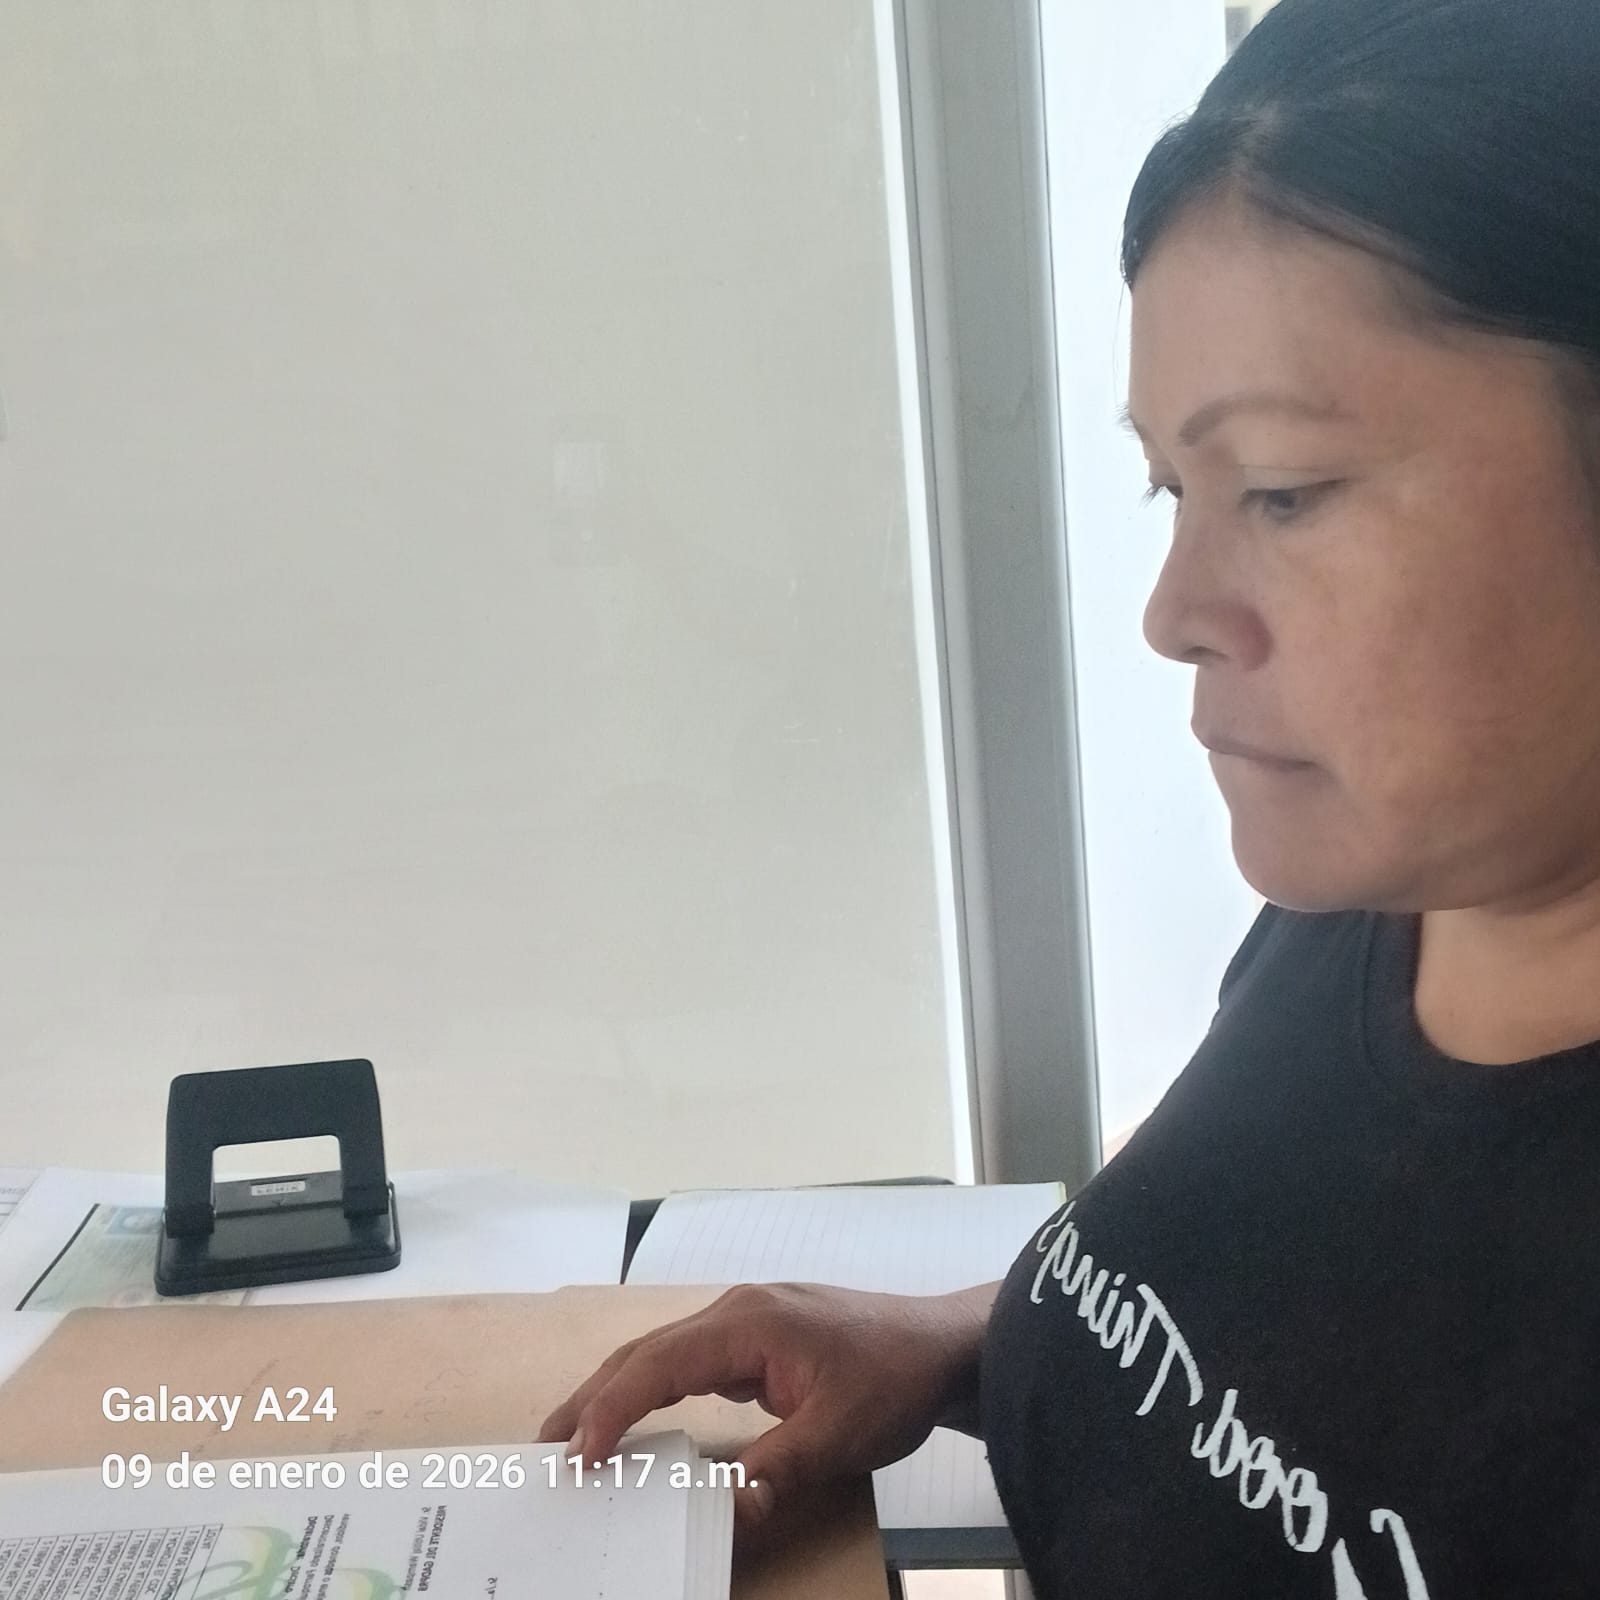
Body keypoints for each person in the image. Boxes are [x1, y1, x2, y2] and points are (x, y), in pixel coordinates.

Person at [540, 0, 1600, 1591]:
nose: (1174, 610)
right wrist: (952, 1343)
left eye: (1285, 491)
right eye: (1172, 486)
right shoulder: (1375, 912)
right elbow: (1265, 1331)